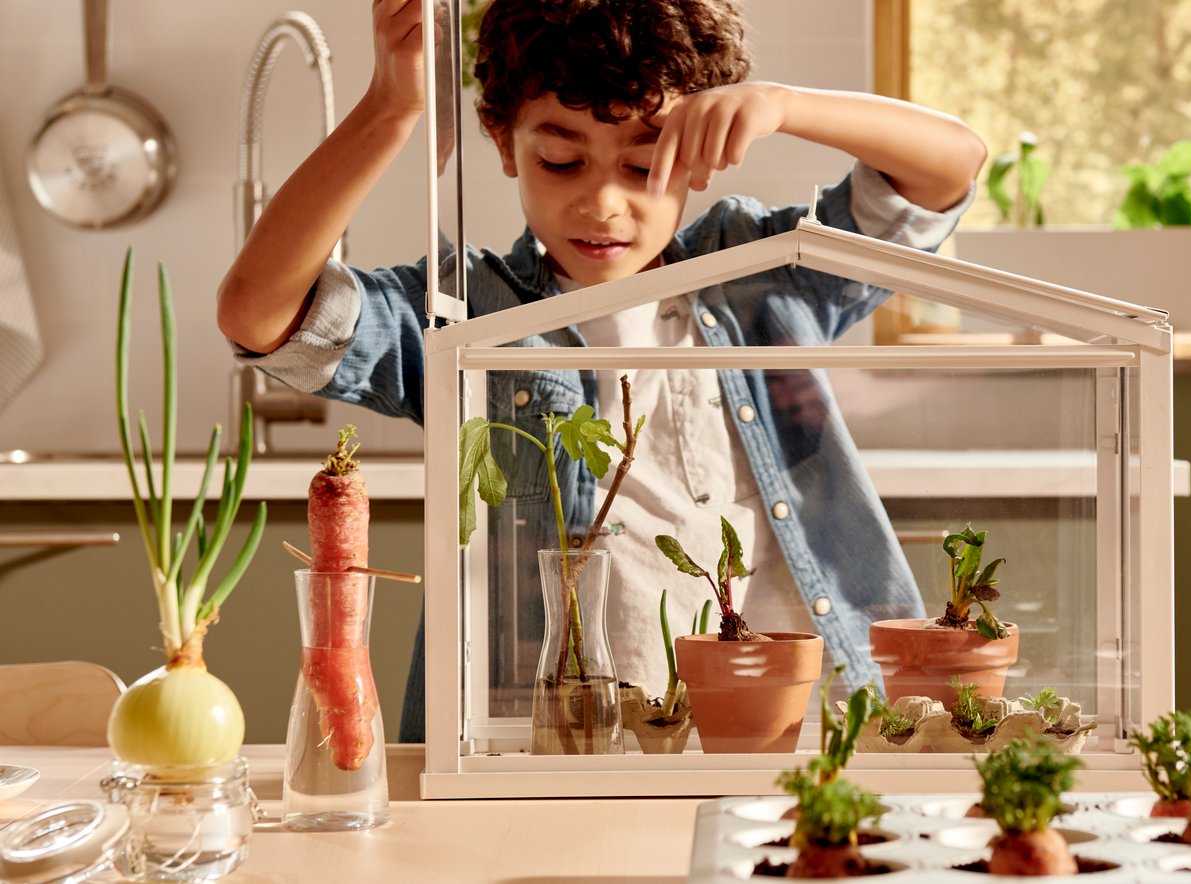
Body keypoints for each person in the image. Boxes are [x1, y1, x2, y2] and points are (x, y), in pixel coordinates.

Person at [218, 0, 987, 743]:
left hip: (805, 727)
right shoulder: (467, 313)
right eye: (561, 159)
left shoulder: (761, 271)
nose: (604, 203)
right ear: (502, 138)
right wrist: (391, 108)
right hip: (559, 747)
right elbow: (258, 312)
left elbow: (950, 170)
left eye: (645, 162)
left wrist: (785, 105)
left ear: (699, 153)